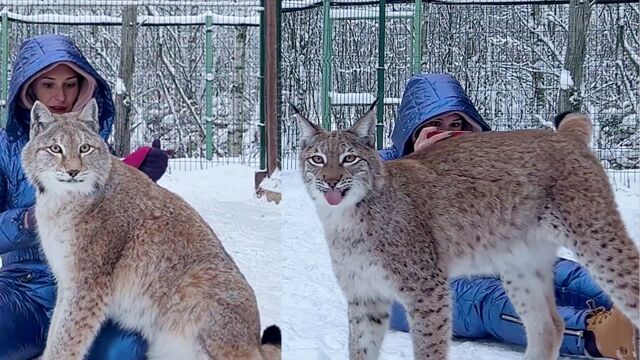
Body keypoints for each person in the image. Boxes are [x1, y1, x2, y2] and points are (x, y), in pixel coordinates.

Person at [379, 73, 637, 359]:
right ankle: (600, 334)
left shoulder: (478, 161)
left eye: (457, 126)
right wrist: (421, 161)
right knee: (486, 300)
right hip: (417, 285)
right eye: (435, 126)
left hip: (493, 253)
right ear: (411, 131)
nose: (447, 133)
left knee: (558, 272)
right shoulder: (382, 167)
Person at [0, 34, 168, 360]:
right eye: (48, 84)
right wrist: (26, 221)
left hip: (99, 293)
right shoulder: (5, 149)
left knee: (127, 351)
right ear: (28, 88)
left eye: (70, 84)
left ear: (84, 86)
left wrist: (138, 176)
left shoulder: (94, 144)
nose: (60, 96)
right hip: (25, 289)